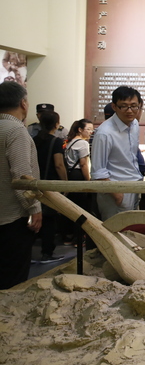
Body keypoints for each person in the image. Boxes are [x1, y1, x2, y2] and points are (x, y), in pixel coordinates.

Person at [0, 82, 42, 289]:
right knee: (13, 279)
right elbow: (21, 177)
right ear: (23, 103)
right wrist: (35, 209)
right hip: (12, 218)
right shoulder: (16, 131)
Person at [91, 86, 144, 221]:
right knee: (114, 235)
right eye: (124, 106)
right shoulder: (104, 133)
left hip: (135, 184)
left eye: (134, 106)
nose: (130, 111)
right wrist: (115, 193)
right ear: (114, 106)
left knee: (132, 232)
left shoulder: (134, 124)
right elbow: (98, 170)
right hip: (115, 189)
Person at [33, 110, 68, 263]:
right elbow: (59, 165)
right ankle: (47, 253)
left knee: (35, 218)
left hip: (35, 183)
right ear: (56, 124)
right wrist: (66, 184)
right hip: (50, 185)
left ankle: (30, 253)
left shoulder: (34, 139)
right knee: (49, 221)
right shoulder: (56, 142)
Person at [62, 118, 94, 244]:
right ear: (80, 130)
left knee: (74, 208)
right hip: (79, 175)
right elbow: (83, 164)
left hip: (71, 174)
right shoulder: (82, 143)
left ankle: (72, 237)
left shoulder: (70, 142)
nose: (91, 132)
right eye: (88, 129)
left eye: (92, 129)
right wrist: (88, 181)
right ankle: (79, 238)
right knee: (82, 208)